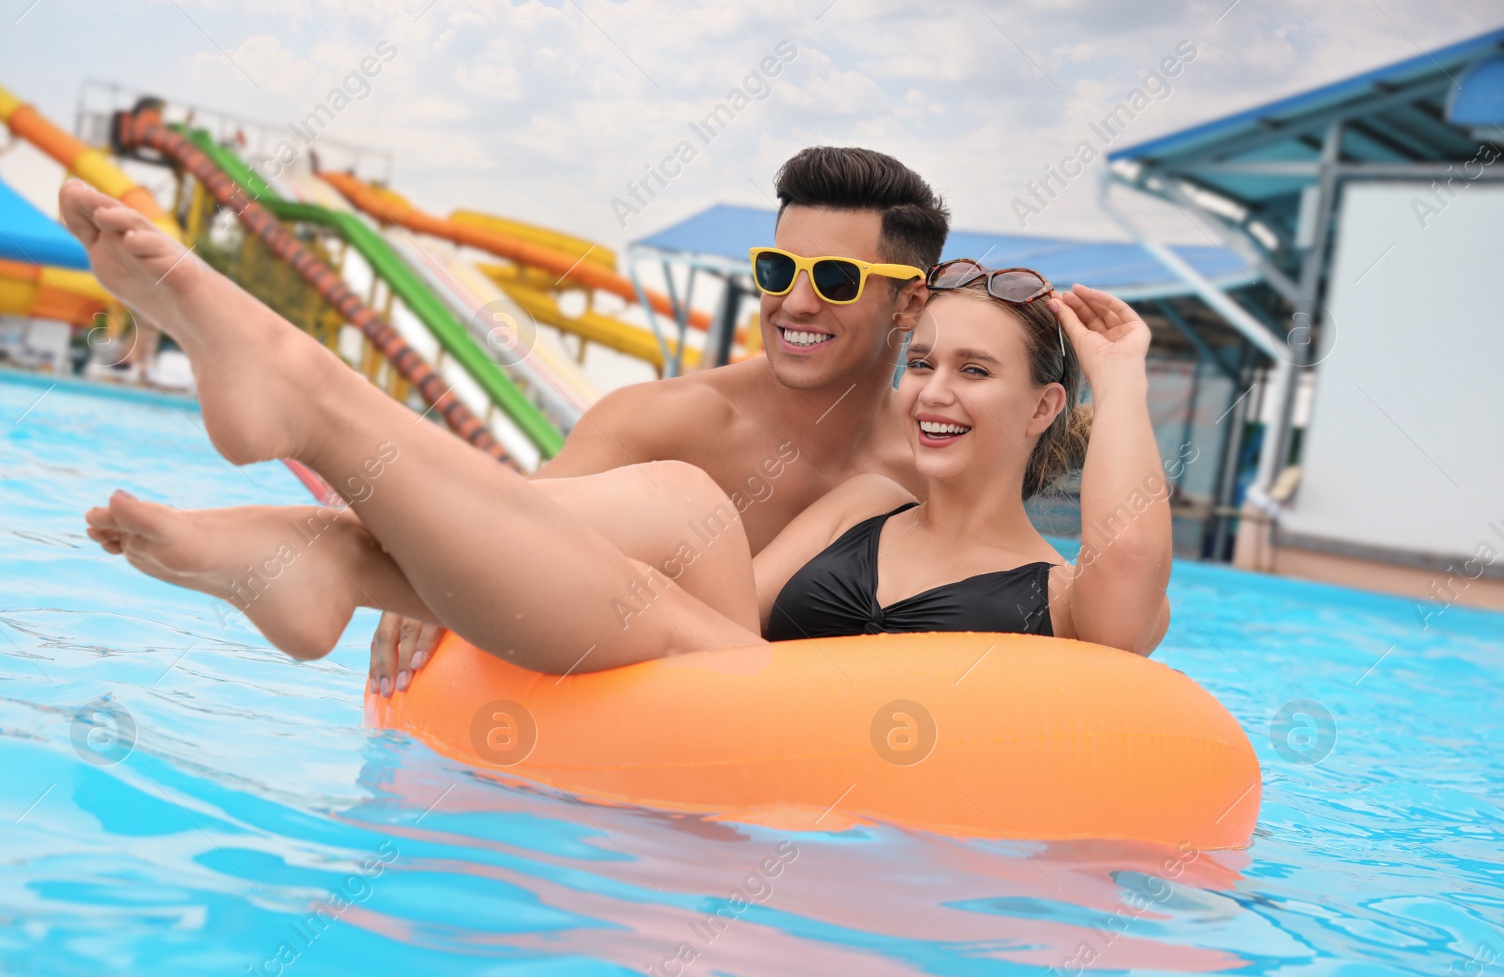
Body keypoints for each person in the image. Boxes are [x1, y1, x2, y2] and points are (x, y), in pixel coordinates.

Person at [69, 170, 1170, 670]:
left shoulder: (1066, 594)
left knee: (697, 602)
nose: (933, 390)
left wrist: (1120, 380)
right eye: (928, 366)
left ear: (1042, 407)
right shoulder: (865, 501)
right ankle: (315, 479)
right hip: (729, 714)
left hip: (824, 768)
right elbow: (694, 595)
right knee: (690, 505)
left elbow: (1125, 578)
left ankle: (327, 504)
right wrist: (431, 577)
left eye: (973, 372)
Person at [364, 146, 949, 695]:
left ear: (910, 304)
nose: (795, 303)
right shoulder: (659, 425)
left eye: (835, 279)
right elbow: (511, 527)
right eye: (777, 269)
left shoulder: (928, 468)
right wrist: (442, 561)